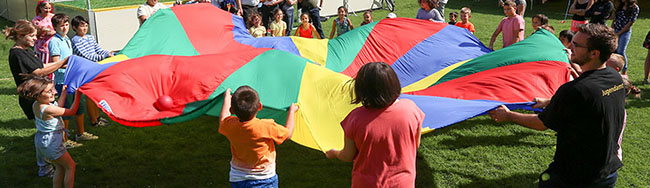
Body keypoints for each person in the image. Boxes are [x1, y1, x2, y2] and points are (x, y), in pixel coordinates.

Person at [488, 23, 623, 187]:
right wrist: (549, 102)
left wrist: (508, 115)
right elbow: (590, 101)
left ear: (594, 53)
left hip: (578, 177)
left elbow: (541, 123)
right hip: (608, 171)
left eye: (577, 45)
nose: (570, 46)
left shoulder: (575, 90)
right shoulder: (614, 78)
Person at [326, 62, 424, 188]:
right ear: (394, 84)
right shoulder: (411, 109)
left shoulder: (356, 118)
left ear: (361, 90)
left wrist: (334, 153)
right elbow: (415, 144)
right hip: (402, 183)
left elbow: (348, 155)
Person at [5, 19, 70, 177]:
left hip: (42, 96)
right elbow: (38, 72)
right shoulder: (17, 53)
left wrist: (64, 64)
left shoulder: (26, 50)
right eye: (32, 36)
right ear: (21, 36)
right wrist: (63, 61)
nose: (35, 39)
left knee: (50, 130)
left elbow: (42, 66)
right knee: (46, 133)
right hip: (32, 99)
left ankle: (54, 156)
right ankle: (45, 167)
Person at [218, 86, 298, 187]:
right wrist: (292, 112)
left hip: (237, 178)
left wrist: (227, 98)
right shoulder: (266, 126)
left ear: (232, 110)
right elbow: (287, 134)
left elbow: (223, 118)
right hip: (263, 179)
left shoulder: (230, 125)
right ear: (260, 106)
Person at [17, 75, 80, 188]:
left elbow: (58, 107)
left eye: (53, 89)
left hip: (43, 141)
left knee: (60, 168)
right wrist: (78, 95)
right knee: (71, 166)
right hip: (52, 142)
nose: (54, 92)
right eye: (49, 91)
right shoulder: (47, 109)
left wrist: (64, 92)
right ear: (37, 94)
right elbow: (71, 111)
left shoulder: (37, 104)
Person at [49, 13, 97, 147]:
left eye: (66, 25)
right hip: (63, 81)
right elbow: (55, 63)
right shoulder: (54, 41)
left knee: (79, 106)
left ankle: (80, 133)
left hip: (75, 79)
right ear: (55, 27)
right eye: (61, 26)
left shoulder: (67, 39)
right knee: (65, 111)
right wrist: (74, 65)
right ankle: (64, 140)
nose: (64, 28)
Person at [70, 16, 112, 127]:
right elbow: (86, 56)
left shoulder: (90, 37)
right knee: (90, 96)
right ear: (74, 27)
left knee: (96, 94)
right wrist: (104, 56)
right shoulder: (75, 40)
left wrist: (108, 53)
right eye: (81, 26)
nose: (84, 28)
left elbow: (98, 49)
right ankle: (93, 121)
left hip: (94, 68)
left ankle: (97, 117)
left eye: (86, 25)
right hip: (85, 71)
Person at [611, 0, 638, 75]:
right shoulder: (620, 6)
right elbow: (615, 19)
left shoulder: (635, 8)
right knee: (613, 50)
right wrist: (612, 29)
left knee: (621, 51)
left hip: (625, 32)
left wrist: (619, 33)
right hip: (615, 30)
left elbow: (630, 22)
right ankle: (614, 69)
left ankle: (624, 70)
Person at [32, 1, 56, 71]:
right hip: (42, 46)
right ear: (40, 8)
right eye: (46, 8)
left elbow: (59, 28)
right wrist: (41, 31)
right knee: (43, 65)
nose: (48, 10)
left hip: (52, 44)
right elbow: (35, 33)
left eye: (49, 8)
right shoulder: (36, 20)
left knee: (53, 65)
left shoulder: (53, 17)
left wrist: (53, 32)